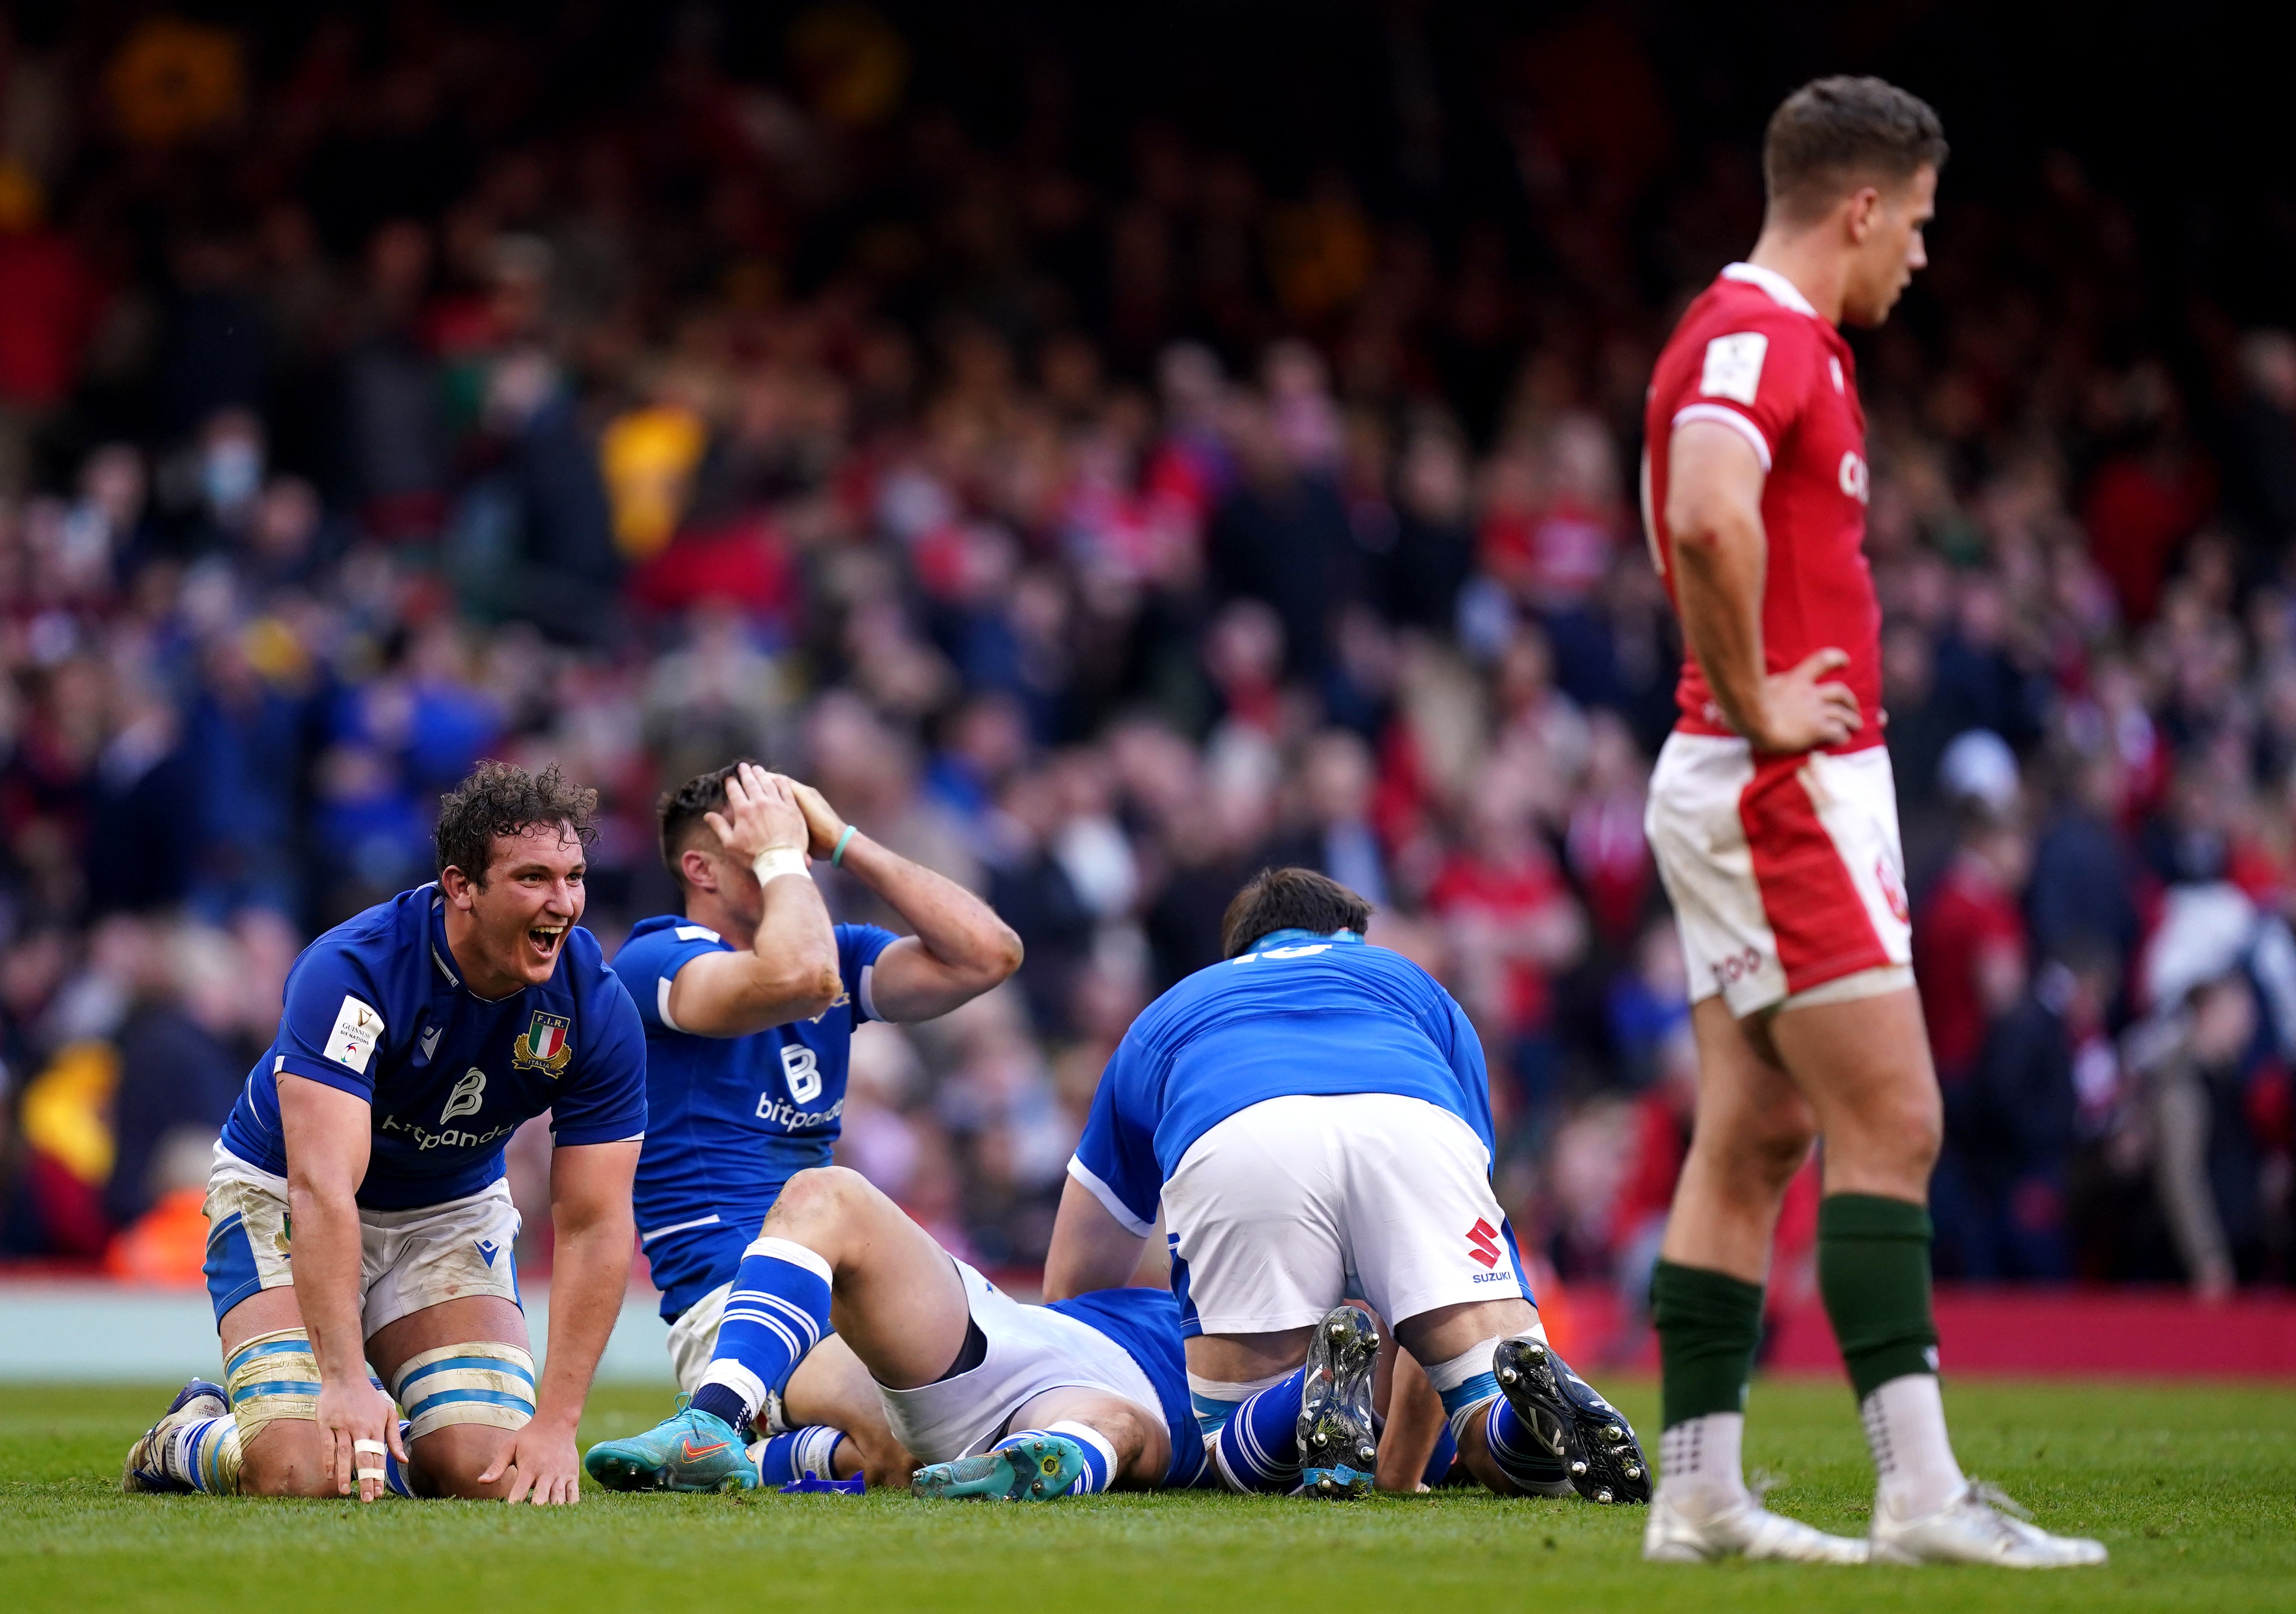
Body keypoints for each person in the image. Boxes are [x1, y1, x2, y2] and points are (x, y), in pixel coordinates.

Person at [1639, 76, 2103, 1566]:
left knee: (1754, 1133)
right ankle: (1919, 1495)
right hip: (1776, 787)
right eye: (1914, 222)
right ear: (1858, 206)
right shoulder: (1761, 338)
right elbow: (1706, 510)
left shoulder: (1774, 343)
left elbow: (1721, 515)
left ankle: (1699, 1493)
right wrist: (1762, 696)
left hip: (1753, 781)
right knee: (1890, 1120)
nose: (1920, 252)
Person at [1040, 865, 1648, 1505]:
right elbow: (1442, 1259)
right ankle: (1515, 1416)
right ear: (1350, 935)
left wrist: (1065, 1382)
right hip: (1413, 1125)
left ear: (1240, 951)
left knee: (1235, 1433)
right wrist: (1403, 1468)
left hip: (1241, 1139)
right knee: (1482, 1388)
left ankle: (1301, 1395)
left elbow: (1074, 1284)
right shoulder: (1416, 988)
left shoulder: (1170, 1013)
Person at [122, 762, 646, 1505]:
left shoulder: (594, 1006)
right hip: (286, 1202)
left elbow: (596, 1224)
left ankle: (384, 1408)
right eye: (534, 878)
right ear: (461, 886)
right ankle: (191, 1434)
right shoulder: (354, 971)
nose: (563, 904)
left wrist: (558, 1425)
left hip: (447, 1215)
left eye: (574, 877)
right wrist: (341, 1383)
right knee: (306, 1472)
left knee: (492, 1475)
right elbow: (323, 1186)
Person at [582, 760, 1023, 1491]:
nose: (788, 860)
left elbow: (990, 954)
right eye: (758, 846)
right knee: (908, 1440)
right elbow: (801, 979)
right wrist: (785, 857)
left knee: (982, 1410)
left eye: (792, 842)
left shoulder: (836, 955)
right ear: (701, 868)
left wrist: (845, 841)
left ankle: (741, 1456)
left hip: (849, 1286)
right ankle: (724, 1425)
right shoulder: (658, 959)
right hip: (730, 1304)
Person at [593, 1164, 1207, 1499]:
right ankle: (716, 1428)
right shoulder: (1203, 1308)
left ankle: (1025, 1471)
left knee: (1110, 1430)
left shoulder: (1269, 1369)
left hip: (1105, 1405)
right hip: (1020, 1332)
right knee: (825, 1195)